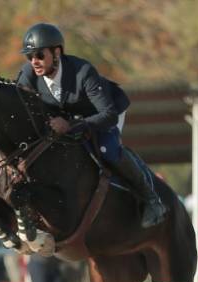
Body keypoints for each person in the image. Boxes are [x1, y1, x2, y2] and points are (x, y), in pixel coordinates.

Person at [16, 22, 167, 228]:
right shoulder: (28, 76)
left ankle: (150, 198)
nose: (34, 61)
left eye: (40, 55)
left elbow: (108, 115)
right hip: (70, 118)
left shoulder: (82, 72)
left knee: (107, 149)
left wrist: (70, 126)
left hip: (105, 113)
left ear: (57, 52)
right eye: (29, 56)